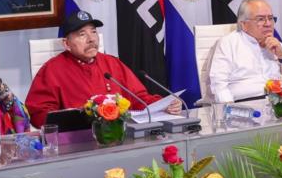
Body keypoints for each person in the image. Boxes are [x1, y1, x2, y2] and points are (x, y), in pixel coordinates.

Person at [26, 11, 181, 128]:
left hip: (120, 135)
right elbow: (38, 114)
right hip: (78, 144)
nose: (91, 39)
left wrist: (164, 104)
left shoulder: (111, 63)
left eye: (93, 31)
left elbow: (139, 98)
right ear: (66, 44)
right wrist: (77, 119)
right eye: (82, 34)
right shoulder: (53, 70)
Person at [209, 0, 282, 103]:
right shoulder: (228, 43)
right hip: (244, 105)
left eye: (271, 18)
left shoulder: (279, 46)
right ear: (244, 24)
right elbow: (219, 86)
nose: (268, 24)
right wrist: (231, 111)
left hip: (279, 104)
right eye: (261, 19)